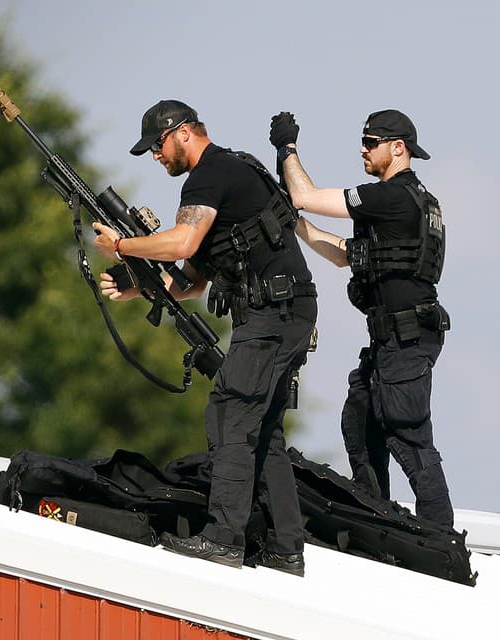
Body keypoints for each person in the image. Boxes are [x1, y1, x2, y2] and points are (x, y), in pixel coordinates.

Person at [93, 100, 317, 576]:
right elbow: (192, 280)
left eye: (157, 146)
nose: (156, 156)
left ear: (182, 134)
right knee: (264, 427)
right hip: (282, 309)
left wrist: (121, 244)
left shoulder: (210, 174)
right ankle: (285, 547)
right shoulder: (228, 174)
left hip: (272, 312)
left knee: (230, 412)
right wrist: (137, 285)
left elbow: (181, 243)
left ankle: (222, 539)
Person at [268, 109, 454, 528]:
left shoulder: (392, 197)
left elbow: (305, 194)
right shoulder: (407, 203)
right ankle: (378, 519)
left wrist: (287, 149)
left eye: (371, 143)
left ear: (398, 148)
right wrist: (295, 223)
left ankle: (440, 538)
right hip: (395, 340)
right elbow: (342, 254)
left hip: (405, 339)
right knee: (361, 421)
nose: (363, 149)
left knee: (408, 437)